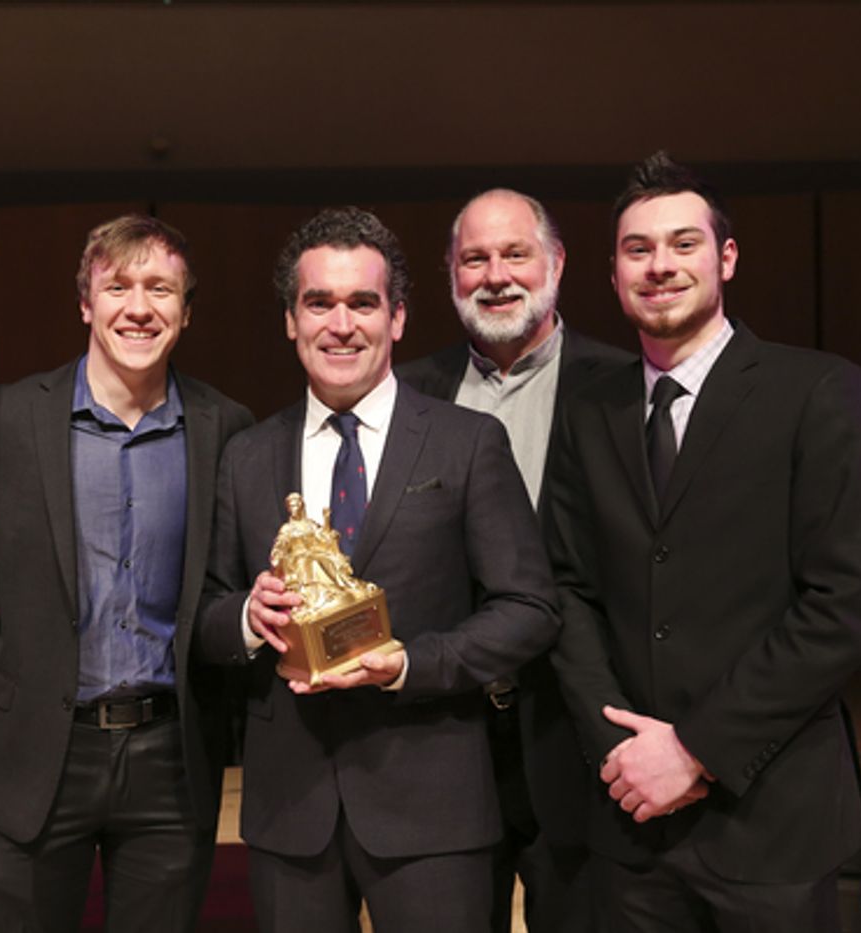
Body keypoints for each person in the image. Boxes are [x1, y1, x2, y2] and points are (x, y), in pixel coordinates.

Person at [546, 152, 861, 931]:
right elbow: (567, 588)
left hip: (770, 819)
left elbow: (846, 604)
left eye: (683, 243)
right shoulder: (588, 409)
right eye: (638, 249)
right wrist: (622, 754)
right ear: (611, 273)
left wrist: (696, 748)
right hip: (630, 817)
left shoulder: (818, 391)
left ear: (726, 257)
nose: (660, 265)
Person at [197, 206, 560, 933]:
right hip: (290, 809)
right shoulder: (246, 456)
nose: (341, 323)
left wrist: (408, 665)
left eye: (363, 302)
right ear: (290, 321)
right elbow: (205, 611)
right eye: (318, 303)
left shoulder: (467, 443)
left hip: (433, 808)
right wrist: (246, 617)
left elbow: (529, 608)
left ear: (396, 318)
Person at [0, 215, 253, 933]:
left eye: (160, 288)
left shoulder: (227, 427)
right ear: (85, 302)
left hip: (169, 757)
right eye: (118, 285)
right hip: (35, 753)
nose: (138, 306)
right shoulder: (1, 420)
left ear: (186, 311)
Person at [398, 188, 631, 933]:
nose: (496, 274)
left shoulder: (625, 387)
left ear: (556, 263)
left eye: (515, 253)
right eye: (475, 258)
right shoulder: (404, 392)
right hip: (445, 735)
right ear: (450, 274)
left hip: (580, 735)